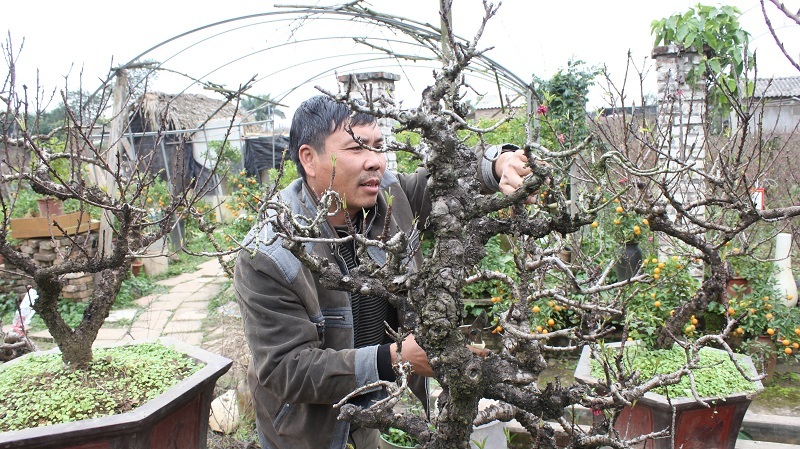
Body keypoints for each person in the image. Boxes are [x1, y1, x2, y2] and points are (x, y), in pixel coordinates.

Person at [234, 94, 533, 449]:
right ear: (309, 159)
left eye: (378, 147)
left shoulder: (390, 196)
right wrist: (395, 359)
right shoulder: (269, 253)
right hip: (305, 433)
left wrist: (500, 163)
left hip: (372, 414)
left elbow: (447, 178)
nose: (375, 161)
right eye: (357, 147)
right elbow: (287, 369)